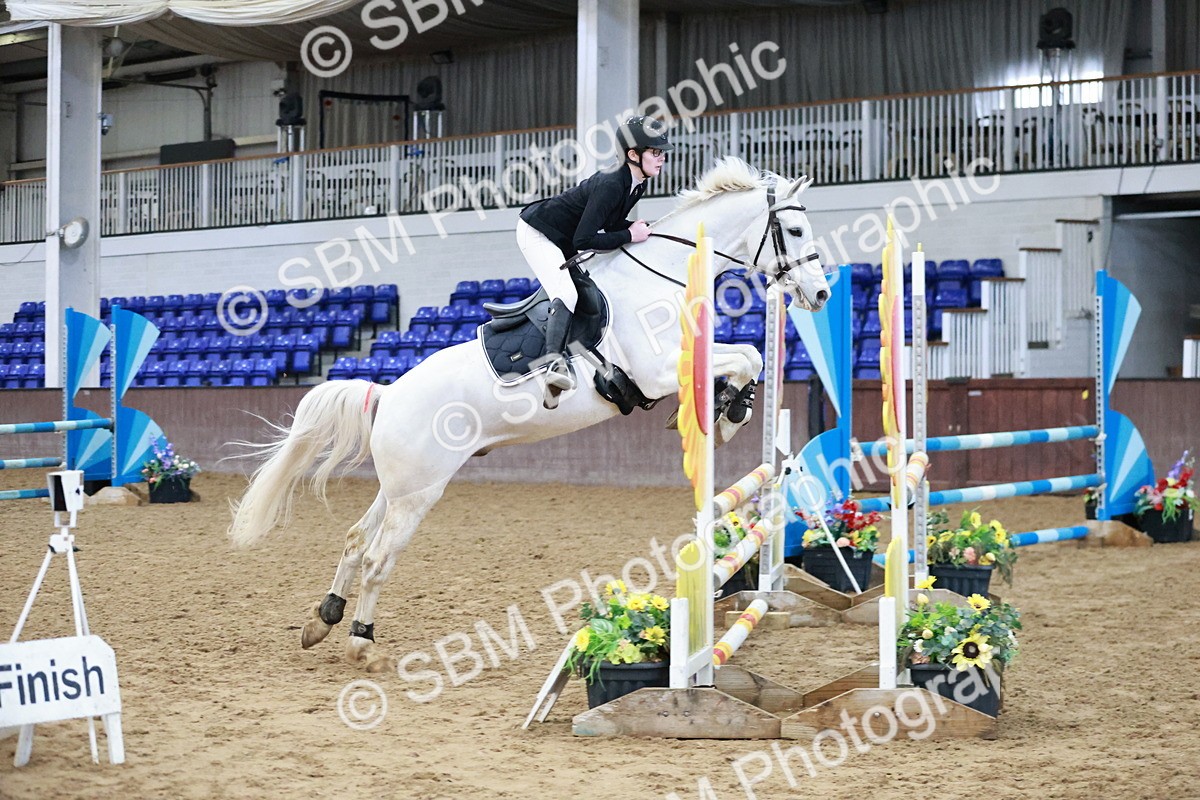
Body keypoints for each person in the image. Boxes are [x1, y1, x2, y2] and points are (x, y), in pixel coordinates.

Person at [516, 115, 674, 407]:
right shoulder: (613, 183)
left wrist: (642, 232)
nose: (661, 158)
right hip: (538, 232)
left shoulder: (636, 182)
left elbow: (611, 225)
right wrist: (629, 233)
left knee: (594, 292)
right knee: (566, 292)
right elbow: (585, 241)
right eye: (655, 152)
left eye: (661, 152)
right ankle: (553, 365)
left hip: (563, 236)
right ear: (633, 154)